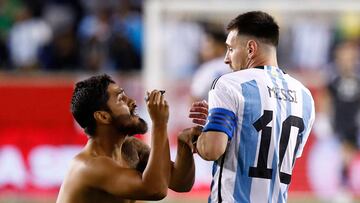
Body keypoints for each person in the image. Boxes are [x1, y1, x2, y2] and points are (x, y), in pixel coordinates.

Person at [189, 11, 315, 202]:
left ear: (250, 49)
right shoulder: (305, 96)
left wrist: (201, 135)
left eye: (230, 49)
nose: (226, 58)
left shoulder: (230, 84)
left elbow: (212, 150)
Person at [56, 74, 199, 203]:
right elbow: (155, 190)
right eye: (120, 99)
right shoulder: (89, 166)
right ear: (103, 116)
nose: (132, 102)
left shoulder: (131, 148)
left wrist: (184, 145)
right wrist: (160, 123)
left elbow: (181, 183)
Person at [190, 25, 229, 102]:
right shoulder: (239, 65)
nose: (203, 51)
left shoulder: (209, 68)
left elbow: (195, 97)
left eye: (207, 47)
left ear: (220, 47)